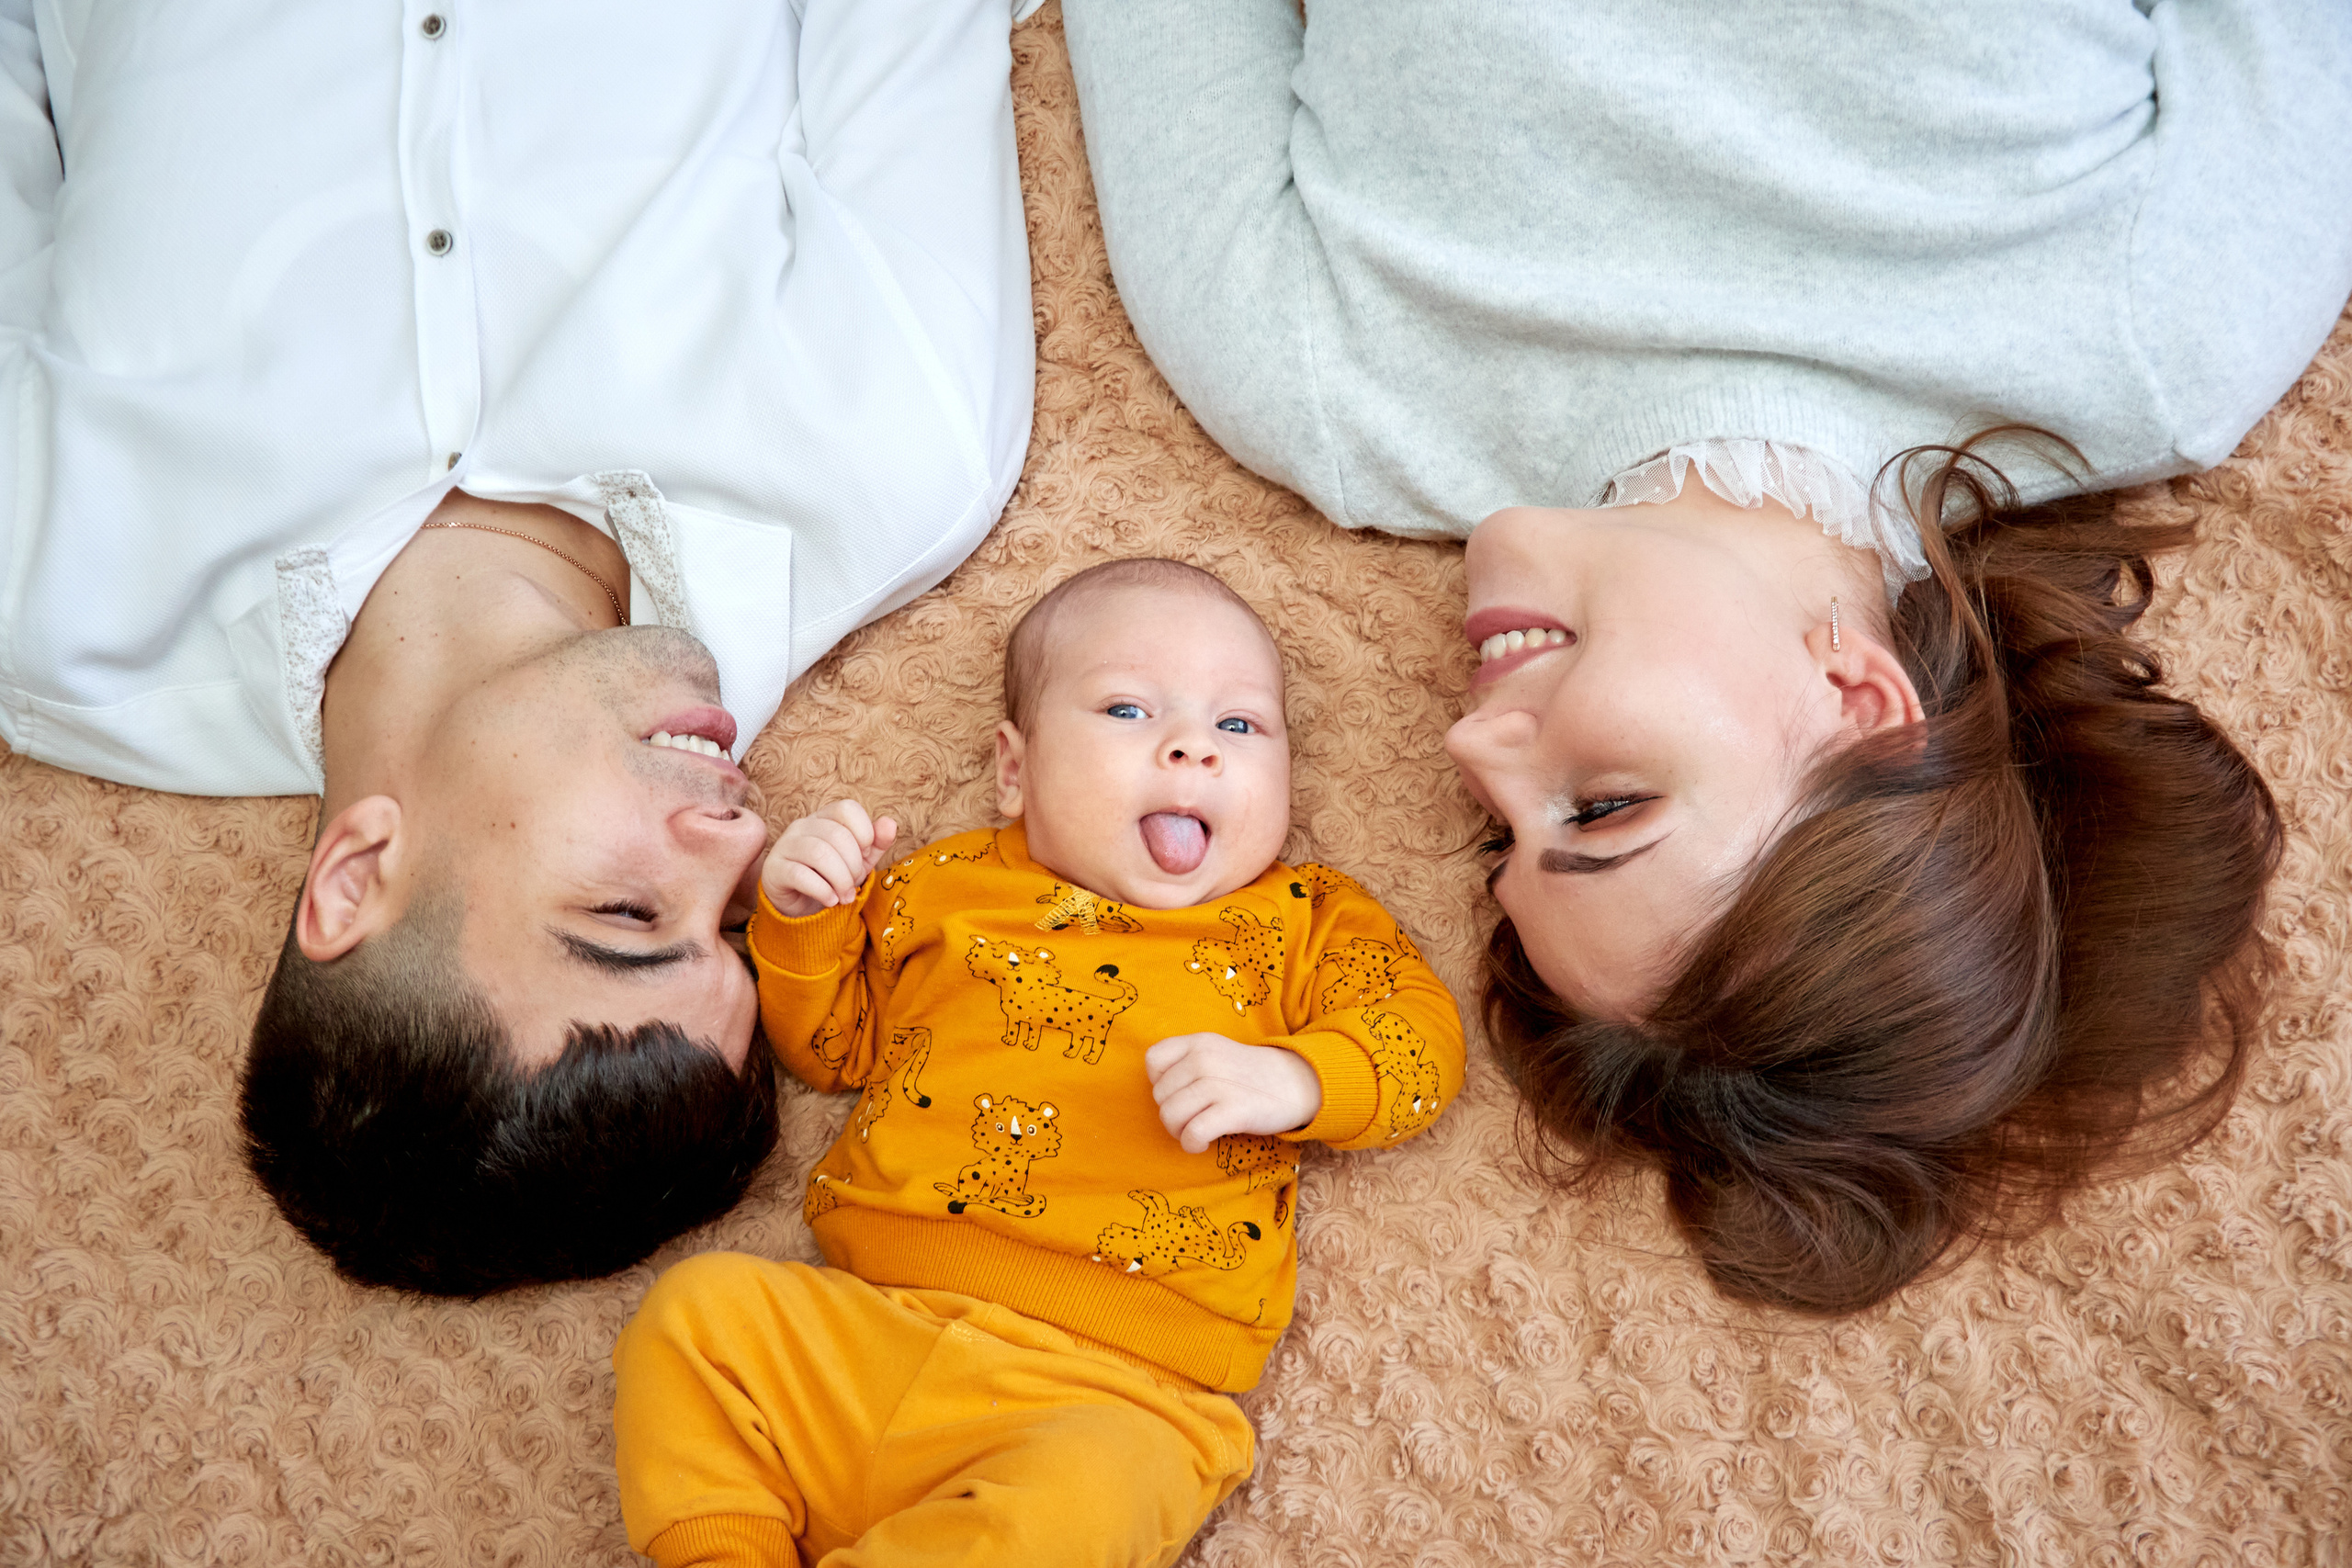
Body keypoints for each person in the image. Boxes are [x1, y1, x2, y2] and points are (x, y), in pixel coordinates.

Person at [1061, 0, 2350, 1311]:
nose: (1471, 744)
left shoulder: (1319, 386)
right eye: (1604, 806)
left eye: (1502, 836)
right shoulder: (2162, 341)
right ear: (1859, 703)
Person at [0, 0, 1043, 1293]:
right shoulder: (891, 452)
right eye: (727, 919)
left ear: (356, 877)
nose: (739, 839)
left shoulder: (47, 587)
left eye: (625, 912)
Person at [609, 559, 1464, 1566]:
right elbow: (833, 1048)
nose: (1190, 746)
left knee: (1095, 1493)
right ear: (1014, 770)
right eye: (1128, 708)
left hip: (1113, 1389)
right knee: (697, 1317)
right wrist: (805, 919)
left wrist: (1303, 1079)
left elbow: (1418, 1036)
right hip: (867, 1328)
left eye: (1238, 727)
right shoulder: (941, 887)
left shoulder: (1303, 918)